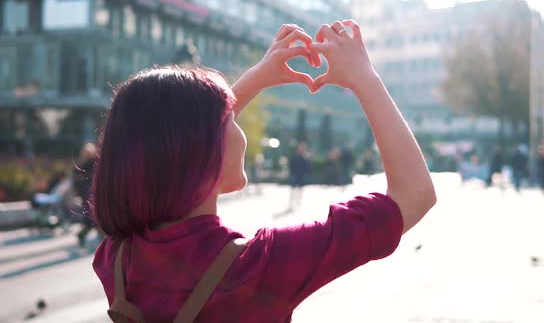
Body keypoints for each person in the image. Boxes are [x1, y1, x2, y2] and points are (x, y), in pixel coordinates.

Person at [91, 21, 436, 322]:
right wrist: (364, 77)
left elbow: (188, 141)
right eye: (228, 121)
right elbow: (413, 196)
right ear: (205, 149)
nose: (236, 125)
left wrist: (257, 77)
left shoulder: (117, 258)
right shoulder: (261, 265)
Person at [73, 142, 98, 247]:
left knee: (94, 219)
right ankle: (82, 235)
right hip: (87, 195)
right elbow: (76, 180)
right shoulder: (81, 164)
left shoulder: (96, 163)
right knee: (92, 219)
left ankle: (82, 235)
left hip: (94, 194)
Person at [287, 141, 310, 211]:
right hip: (295, 174)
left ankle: (298, 202)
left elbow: (307, 166)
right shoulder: (295, 155)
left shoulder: (305, 156)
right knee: (293, 189)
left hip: (301, 174)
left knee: (300, 189)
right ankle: (291, 203)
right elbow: (291, 164)